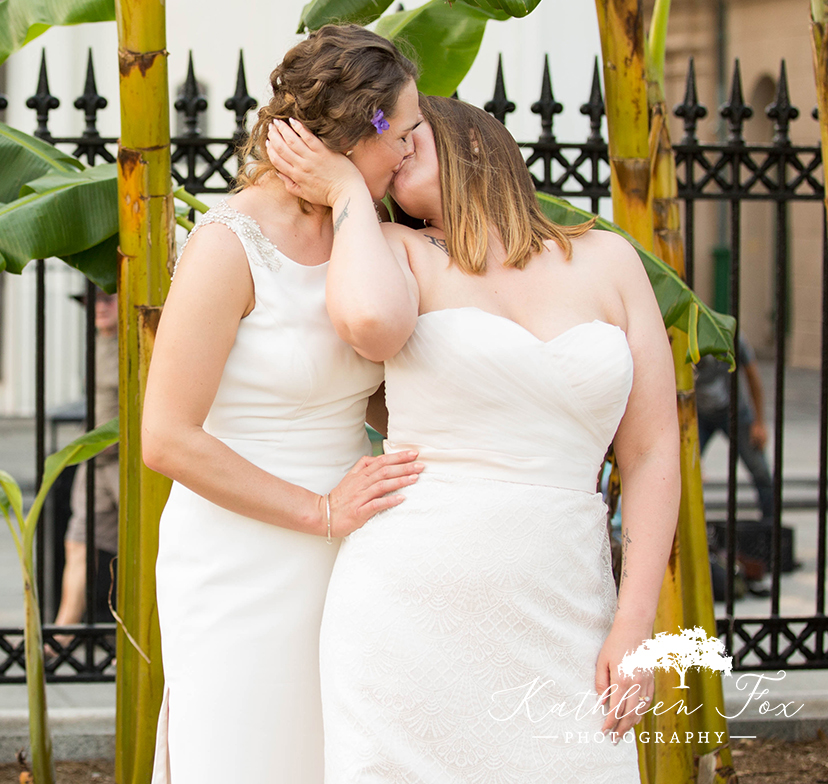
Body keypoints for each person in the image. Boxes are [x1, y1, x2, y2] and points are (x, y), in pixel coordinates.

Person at [268, 96, 678, 782]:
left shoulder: (609, 260)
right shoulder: (397, 251)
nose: (394, 152)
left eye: (410, 136)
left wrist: (635, 625)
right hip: (406, 607)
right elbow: (369, 322)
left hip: (565, 601)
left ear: (476, 143)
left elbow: (652, 452)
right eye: (385, 147)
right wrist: (345, 190)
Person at [141, 25, 428, 784]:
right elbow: (165, 437)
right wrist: (318, 512)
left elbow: (382, 394)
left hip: (354, 545)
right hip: (242, 554)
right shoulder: (228, 243)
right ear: (353, 131)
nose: (409, 151)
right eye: (401, 133)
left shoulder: (363, 231)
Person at [54, 290, 120, 632]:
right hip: (94, 462)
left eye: (108, 299)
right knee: (78, 541)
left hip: (129, 462)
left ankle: (141, 640)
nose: (99, 307)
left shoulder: (138, 342)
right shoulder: (96, 342)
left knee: (146, 546)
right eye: (92, 301)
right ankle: (62, 634)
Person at [695, 336, 774, 520]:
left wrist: (759, 422)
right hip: (699, 415)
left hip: (735, 413)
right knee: (683, 470)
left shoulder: (731, 339)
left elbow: (753, 376)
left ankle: (770, 523)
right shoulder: (682, 338)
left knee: (759, 469)